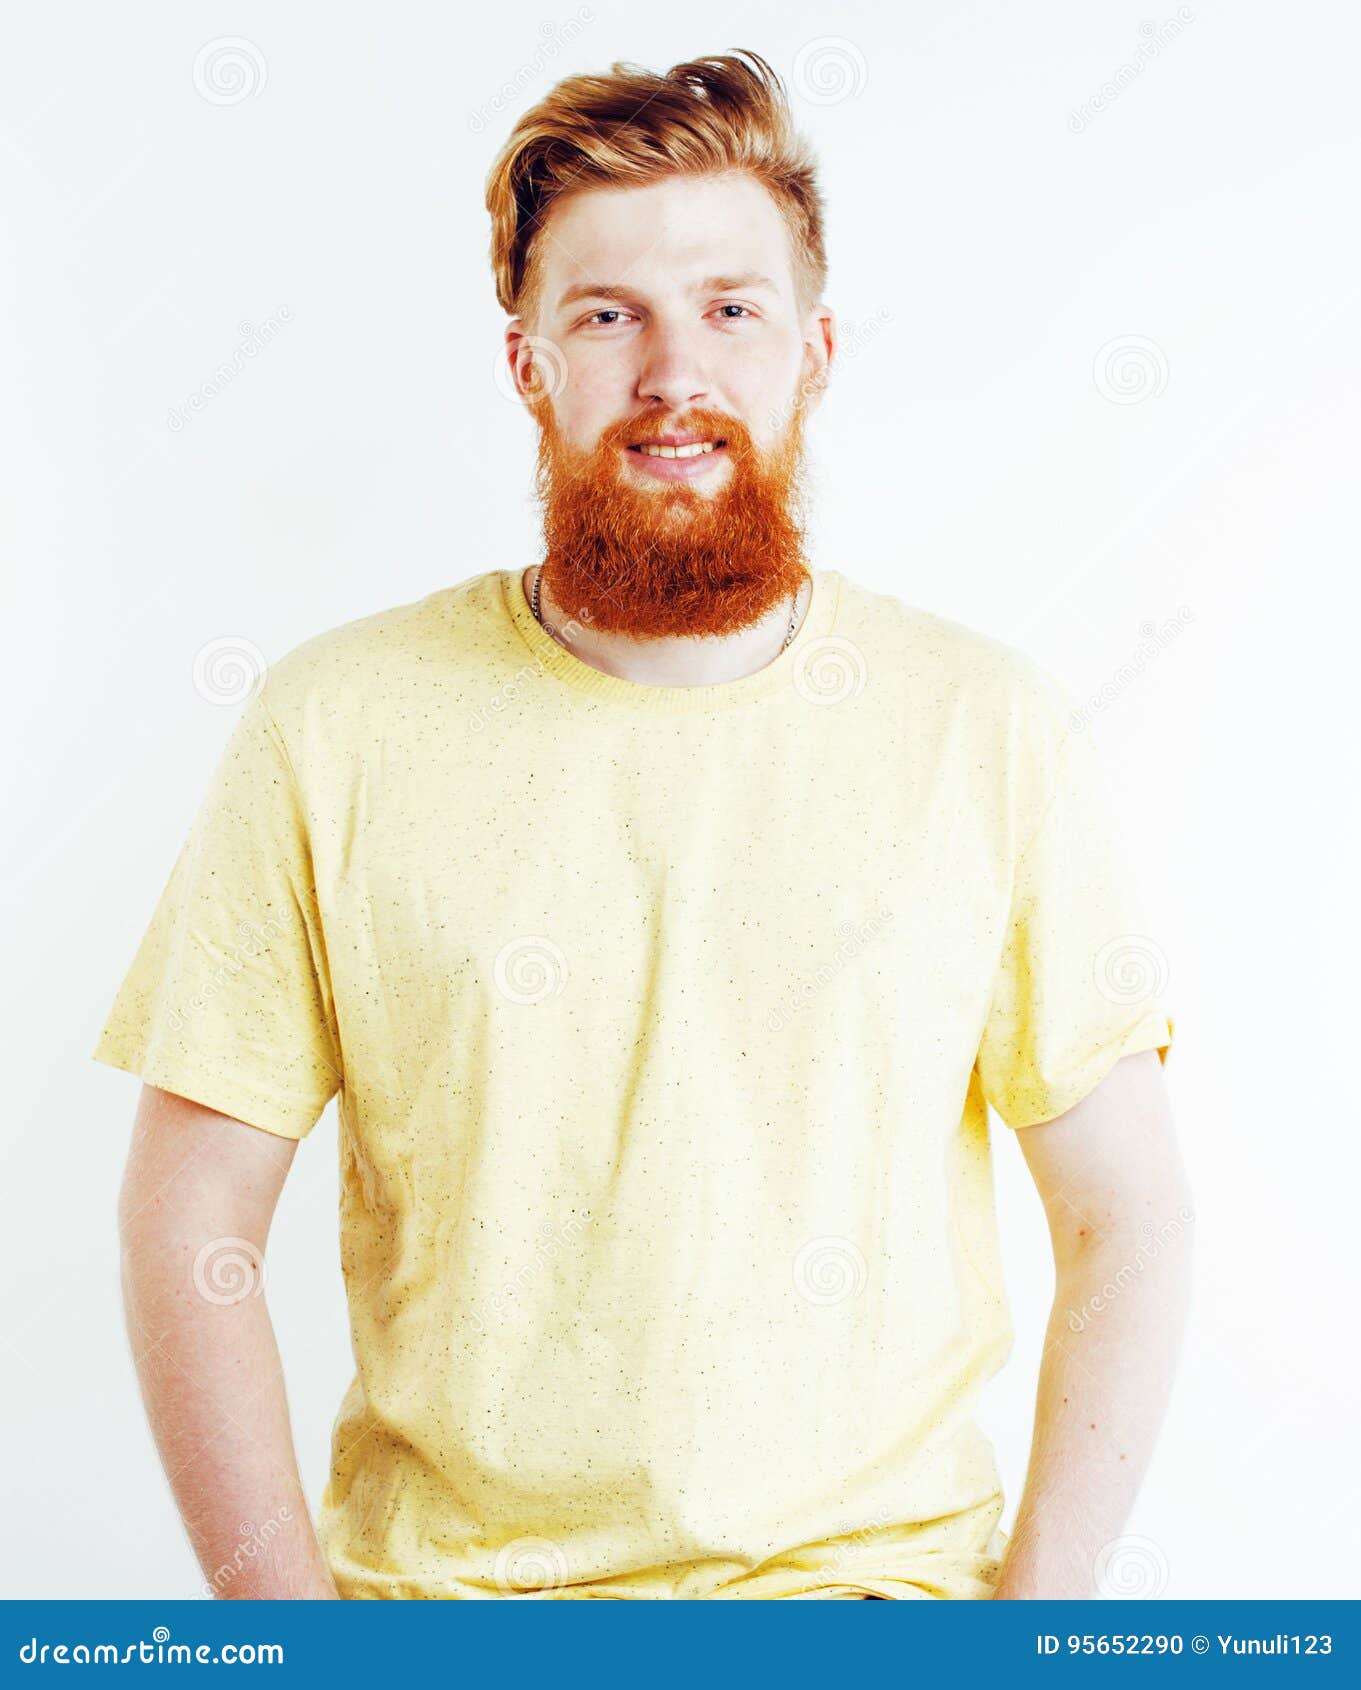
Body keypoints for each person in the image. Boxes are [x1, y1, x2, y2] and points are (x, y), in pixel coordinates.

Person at [95, 49, 1192, 1602]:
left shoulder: (981, 726)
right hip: (451, 1616)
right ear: (526, 362)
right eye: (608, 315)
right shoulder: (329, 724)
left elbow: (1127, 1216)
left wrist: (1029, 1631)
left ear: (812, 349)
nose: (675, 371)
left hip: (873, 1609)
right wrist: (294, 1640)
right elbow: (190, 1213)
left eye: (730, 309)